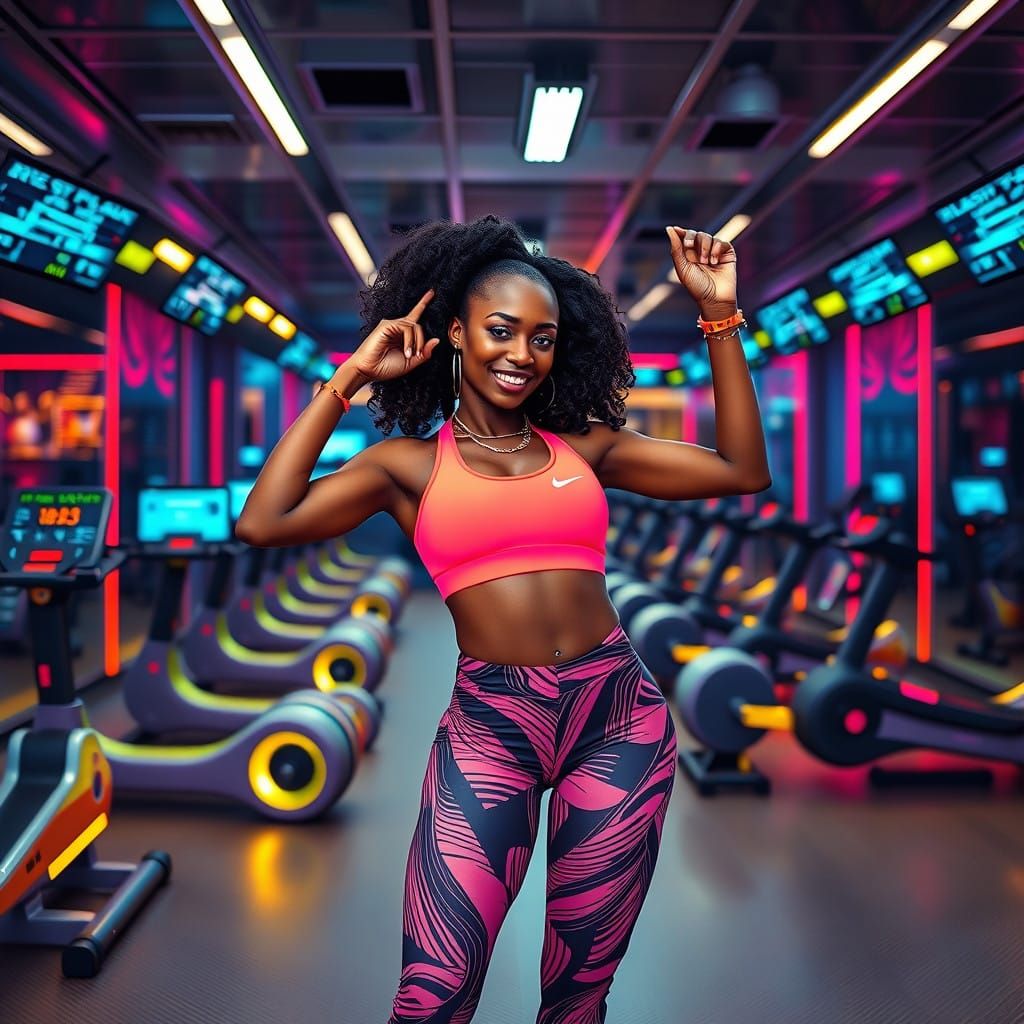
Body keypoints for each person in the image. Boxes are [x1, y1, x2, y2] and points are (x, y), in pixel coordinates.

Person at [235, 214, 771, 1022]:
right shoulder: (405, 467)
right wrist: (349, 378)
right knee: (435, 990)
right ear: (455, 331)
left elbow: (741, 469)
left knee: (577, 996)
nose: (522, 354)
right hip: (493, 724)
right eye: (500, 331)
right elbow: (263, 521)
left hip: (616, 716)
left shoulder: (584, 446)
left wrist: (720, 316)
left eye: (543, 338)